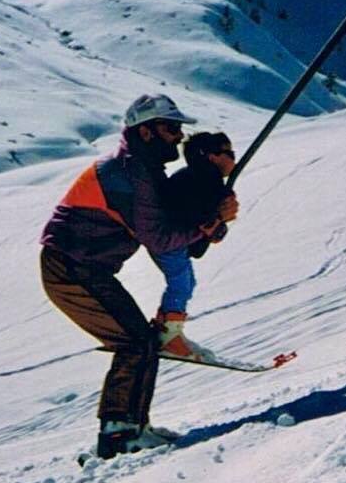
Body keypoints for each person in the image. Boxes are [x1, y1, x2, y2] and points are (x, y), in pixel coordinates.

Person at [39, 94, 239, 459]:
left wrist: (212, 223)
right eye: (171, 128)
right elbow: (160, 237)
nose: (179, 137)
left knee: (142, 340)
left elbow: (175, 233)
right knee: (135, 341)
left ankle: (133, 427)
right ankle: (119, 434)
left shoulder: (142, 171)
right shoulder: (128, 175)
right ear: (146, 132)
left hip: (82, 267)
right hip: (70, 268)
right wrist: (209, 224)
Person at [151, 132, 237, 362]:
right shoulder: (201, 181)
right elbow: (196, 217)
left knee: (186, 282)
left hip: (172, 241)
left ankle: (166, 329)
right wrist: (217, 221)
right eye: (229, 153)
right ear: (211, 157)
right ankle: (168, 337)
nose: (233, 159)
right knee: (180, 283)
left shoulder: (201, 178)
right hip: (168, 241)